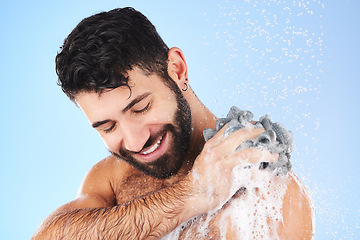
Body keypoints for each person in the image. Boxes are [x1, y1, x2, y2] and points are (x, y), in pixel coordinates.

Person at [32, 7, 314, 239]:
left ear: (177, 71)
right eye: (108, 127)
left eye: (140, 107)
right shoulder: (112, 179)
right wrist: (191, 194)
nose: (133, 141)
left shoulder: (268, 189)